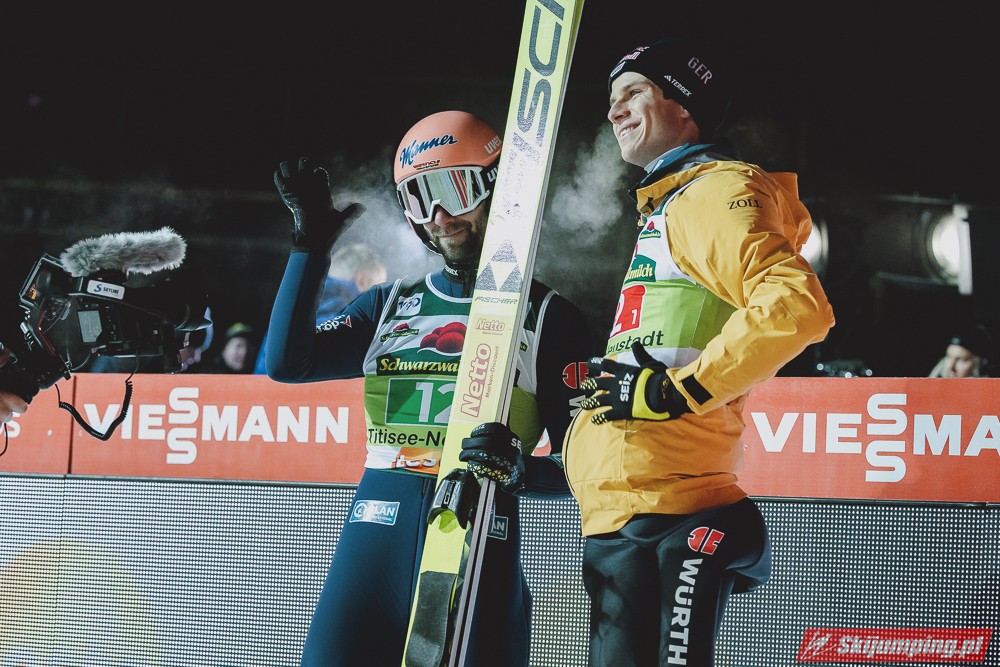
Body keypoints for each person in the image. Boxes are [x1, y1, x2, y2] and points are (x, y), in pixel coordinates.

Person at [265, 110, 592, 667]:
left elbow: (588, 470)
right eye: (420, 198)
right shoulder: (388, 305)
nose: (439, 215)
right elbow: (286, 364)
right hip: (374, 539)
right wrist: (309, 247)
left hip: (479, 546)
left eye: (455, 189)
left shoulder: (549, 317)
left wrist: (521, 471)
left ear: (499, 190)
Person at [566, 37, 836, 666]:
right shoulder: (671, 205)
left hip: (674, 509)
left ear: (683, 106)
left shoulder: (713, 191)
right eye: (611, 98)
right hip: (628, 507)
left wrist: (679, 390)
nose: (614, 110)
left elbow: (797, 305)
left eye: (634, 92)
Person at [252, 242, 387, 374]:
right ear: (362, 280)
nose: (380, 300)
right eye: (377, 288)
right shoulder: (354, 323)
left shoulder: (293, 309)